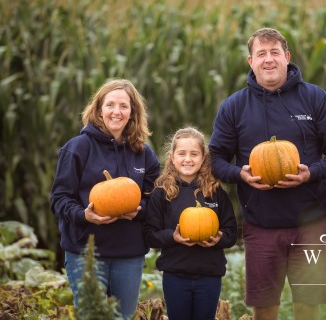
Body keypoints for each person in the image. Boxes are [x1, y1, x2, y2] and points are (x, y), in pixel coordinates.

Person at [209, 27, 326, 320]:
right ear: (251, 61)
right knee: (264, 309)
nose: (269, 59)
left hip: (311, 224)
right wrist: (240, 174)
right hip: (261, 225)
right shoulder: (235, 106)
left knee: (308, 308)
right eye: (261, 53)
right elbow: (215, 159)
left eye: (275, 52)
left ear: (287, 57)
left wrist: (311, 173)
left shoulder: (314, 98)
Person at [50, 79, 160, 319]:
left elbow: (156, 200)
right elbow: (59, 199)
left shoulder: (143, 153)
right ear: (99, 108)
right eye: (110, 105)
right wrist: (83, 215)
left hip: (129, 254)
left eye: (124, 106)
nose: (116, 112)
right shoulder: (77, 148)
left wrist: (140, 209)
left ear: (132, 112)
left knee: (122, 317)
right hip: (86, 253)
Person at [143, 127, 238, 320]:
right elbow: (149, 235)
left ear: (203, 157)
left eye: (194, 154)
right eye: (182, 153)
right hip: (175, 275)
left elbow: (231, 232)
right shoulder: (162, 193)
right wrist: (173, 237)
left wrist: (219, 239)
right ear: (172, 157)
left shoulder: (215, 191)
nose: (188, 159)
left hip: (209, 275)